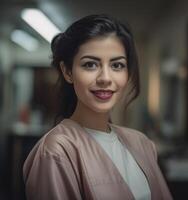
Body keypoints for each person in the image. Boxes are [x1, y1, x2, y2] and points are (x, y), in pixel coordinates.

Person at [23, 14, 173, 200]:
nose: (105, 78)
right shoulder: (57, 151)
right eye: (90, 64)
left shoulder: (142, 143)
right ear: (68, 72)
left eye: (117, 65)